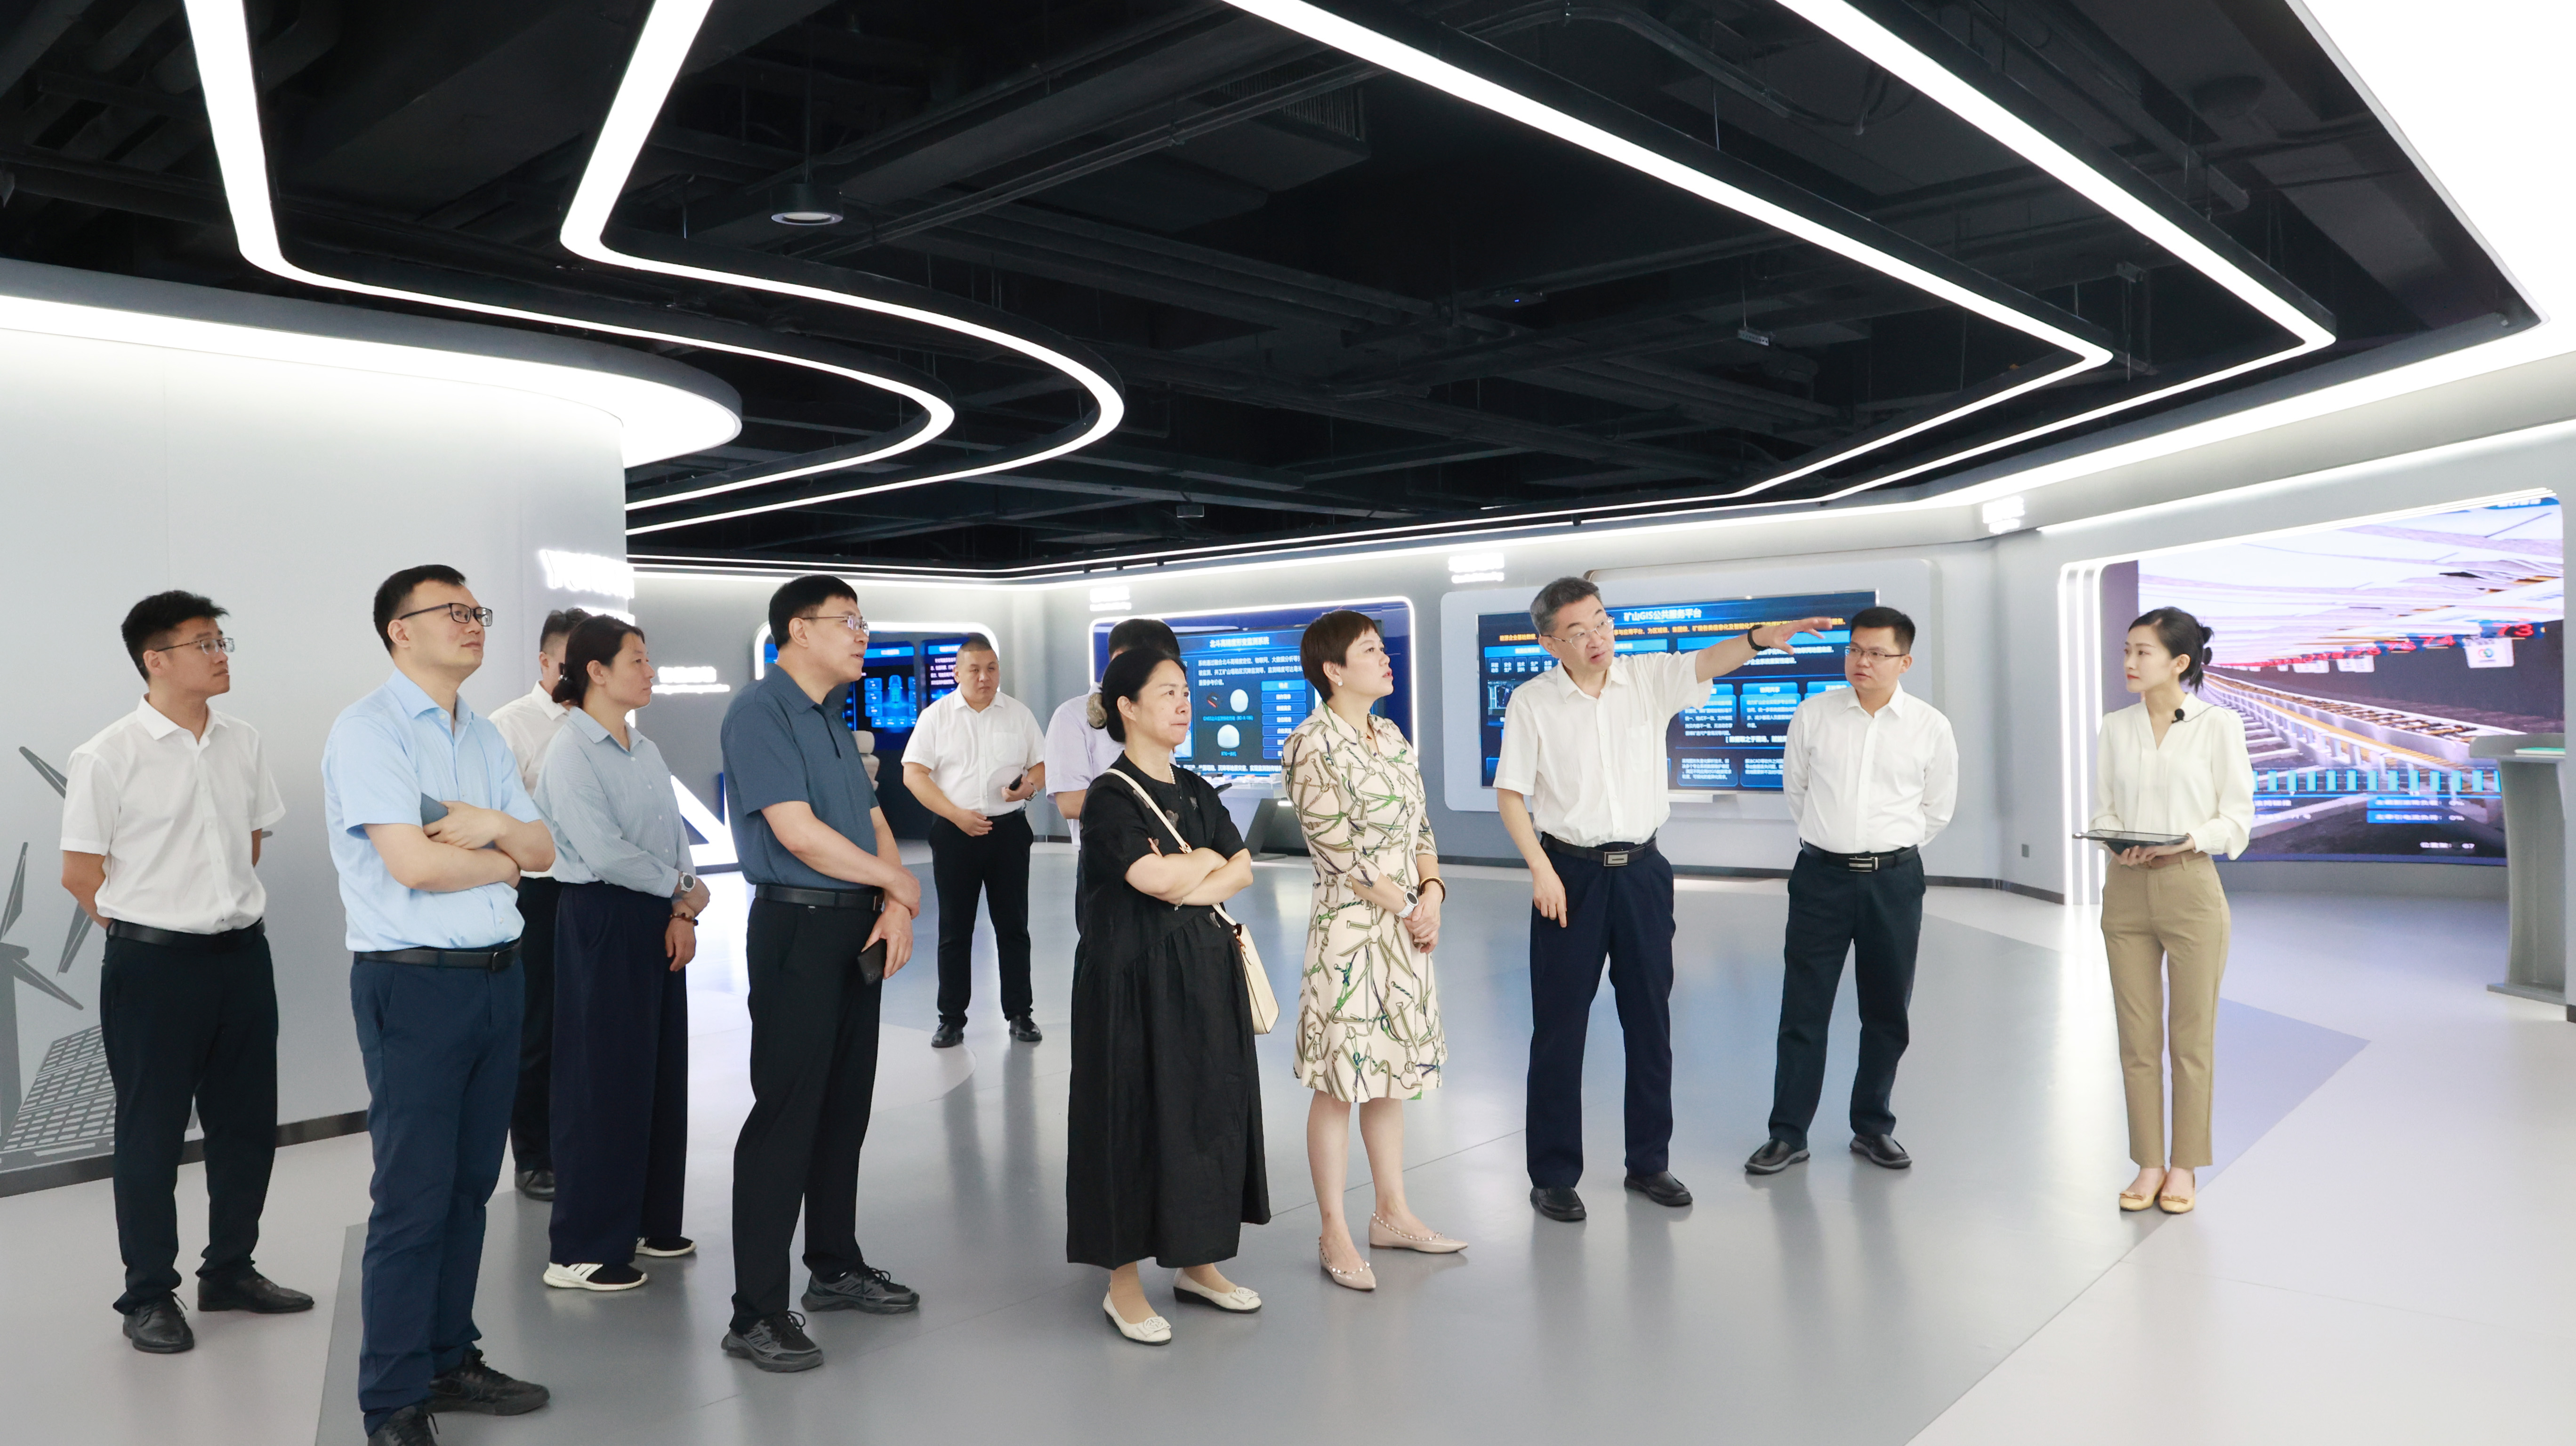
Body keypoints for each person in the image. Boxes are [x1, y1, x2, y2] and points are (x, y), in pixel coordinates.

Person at [1495, 577, 1830, 1222]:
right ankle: (1554, 1175)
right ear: (1550, 644)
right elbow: (1512, 793)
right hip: (1570, 875)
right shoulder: (1532, 702)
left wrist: (1763, 638)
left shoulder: (1645, 678)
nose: (1597, 638)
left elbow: (1709, 660)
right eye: (1578, 632)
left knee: (1650, 1022)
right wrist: (1540, 869)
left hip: (1644, 874)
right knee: (1560, 1028)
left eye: (1601, 622)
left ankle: (1649, 1162)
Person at [323, 566, 558, 1446]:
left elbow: (543, 848)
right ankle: (390, 1400)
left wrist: (489, 828)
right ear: (399, 629)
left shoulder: (484, 736)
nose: (473, 623)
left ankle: (448, 1357)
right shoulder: (369, 731)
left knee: (469, 1189)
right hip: (414, 984)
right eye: (452, 611)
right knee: (414, 1197)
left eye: (476, 610)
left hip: (499, 978)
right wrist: (502, 854)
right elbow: (416, 865)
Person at [59, 591, 307, 1356]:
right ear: (155, 660)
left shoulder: (243, 742)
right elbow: (81, 874)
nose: (220, 654)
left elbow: (248, 844)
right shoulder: (107, 755)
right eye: (204, 643)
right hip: (154, 967)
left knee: (246, 1126)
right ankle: (148, 1294)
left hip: (242, 956)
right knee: (152, 1132)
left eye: (221, 640)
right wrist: (156, 926)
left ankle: (229, 1269)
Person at [719, 576, 923, 1374]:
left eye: (863, 621)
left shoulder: (833, 717)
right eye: (848, 621)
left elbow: (870, 819)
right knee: (788, 1115)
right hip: (797, 928)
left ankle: (834, 1266)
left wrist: (893, 900)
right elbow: (797, 833)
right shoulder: (759, 711)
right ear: (798, 631)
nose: (862, 634)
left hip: (854, 926)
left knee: (844, 1108)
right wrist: (898, 882)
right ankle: (756, 1312)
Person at [1066, 646, 1269, 1344]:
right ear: (1126, 707)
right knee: (1127, 1120)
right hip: (1129, 982)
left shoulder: (1197, 788)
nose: (1184, 703)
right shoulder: (1110, 797)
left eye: (1186, 691)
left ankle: (1198, 1263)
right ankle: (1122, 1284)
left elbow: (1242, 869)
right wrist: (1202, 862)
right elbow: (1150, 881)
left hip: (1203, 975)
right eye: (1167, 693)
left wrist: (1193, 870)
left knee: (1205, 1111)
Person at [1280, 610, 1462, 1291]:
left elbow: (1421, 827)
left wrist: (1433, 892)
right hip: (1351, 934)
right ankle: (1334, 1229)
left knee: (1392, 1072)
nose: (1386, 659)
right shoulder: (1310, 745)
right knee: (1339, 1081)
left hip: (1406, 928)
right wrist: (1411, 907)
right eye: (1370, 651)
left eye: (1384, 649)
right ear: (1333, 670)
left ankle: (1393, 1213)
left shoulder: (1391, 735)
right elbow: (1341, 854)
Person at [1747, 605, 1958, 1178]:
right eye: (1855, 650)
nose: (1862, 662)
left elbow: (1937, 808)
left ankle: (1872, 1126)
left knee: (1887, 1010)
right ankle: (1788, 1134)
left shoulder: (1930, 727)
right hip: (1821, 878)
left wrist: (1885, 849)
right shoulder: (1814, 715)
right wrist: (1836, 843)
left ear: (1904, 662)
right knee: (1803, 1009)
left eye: (1877, 653)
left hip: (1894, 881)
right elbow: (1797, 791)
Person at [532, 616, 709, 1292]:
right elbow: (604, 852)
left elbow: (674, 836)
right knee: (600, 1082)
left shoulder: (646, 749)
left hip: (657, 912)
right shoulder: (570, 752)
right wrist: (682, 888)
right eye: (637, 660)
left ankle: (646, 1222)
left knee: (657, 1073)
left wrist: (682, 906)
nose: (650, 670)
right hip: (601, 916)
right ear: (596, 672)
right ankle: (580, 1249)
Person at [2093, 607, 2254, 1216]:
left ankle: (2184, 1164)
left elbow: (2236, 818)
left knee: (2191, 1039)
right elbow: (2105, 808)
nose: (2130, 662)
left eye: (2143, 652)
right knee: (2136, 1040)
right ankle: (2149, 1163)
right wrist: (2115, 842)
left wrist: (2188, 840)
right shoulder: (2115, 727)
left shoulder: (2219, 726)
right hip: (2126, 890)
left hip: (2191, 889)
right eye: (2127, 650)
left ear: (2179, 662)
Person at [488, 606, 590, 1202]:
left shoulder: (603, 724)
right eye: (572, 661)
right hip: (541, 893)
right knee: (540, 1027)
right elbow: (495, 822)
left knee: (590, 1023)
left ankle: (582, 1142)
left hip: (599, 891)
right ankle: (534, 1156)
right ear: (546, 661)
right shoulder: (510, 726)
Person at [904, 633, 1047, 1048]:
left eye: (991, 669)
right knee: (954, 929)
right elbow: (913, 774)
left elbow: (1040, 765)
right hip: (955, 833)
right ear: (957, 672)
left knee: (1013, 927)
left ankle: (1020, 1014)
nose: (984, 677)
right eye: (975, 670)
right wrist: (956, 816)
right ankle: (951, 1019)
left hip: (1008, 833)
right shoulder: (936, 717)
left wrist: (1029, 788)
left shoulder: (1018, 714)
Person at [1045, 616, 1181, 930]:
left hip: (1167, 856)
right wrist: (1146, 808)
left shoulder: (1157, 712)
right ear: (1120, 659)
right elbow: (1070, 802)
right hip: (1109, 863)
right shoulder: (1072, 716)